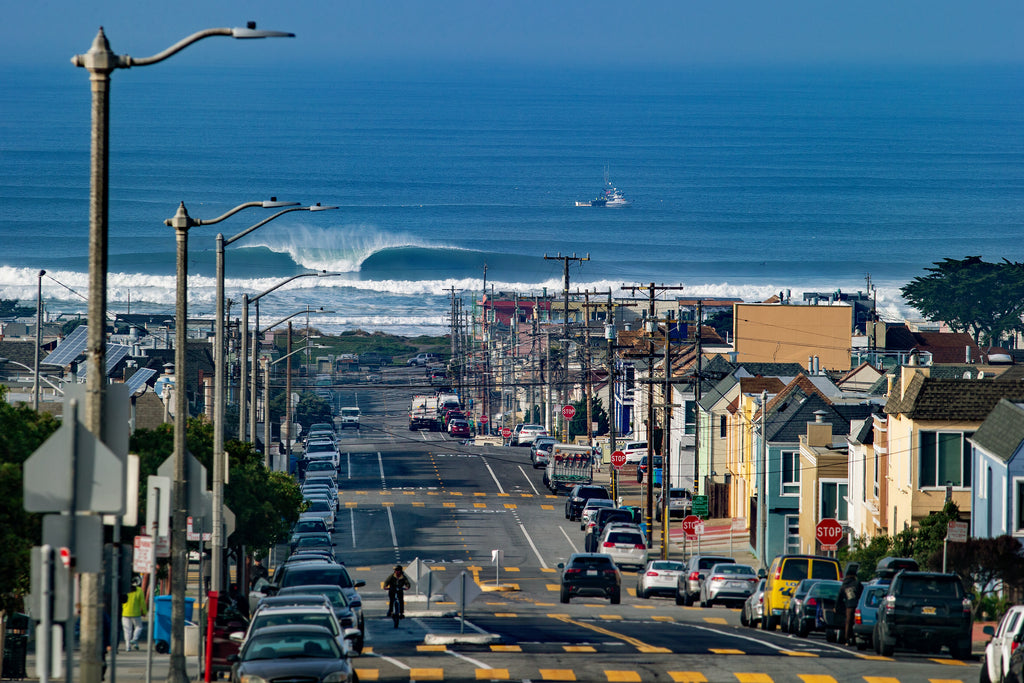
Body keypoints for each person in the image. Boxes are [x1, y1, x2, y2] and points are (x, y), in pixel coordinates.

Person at [838, 563, 862, 646]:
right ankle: (856, 638)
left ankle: (847, 639)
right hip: (858, 605)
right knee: (857, 622)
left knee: (848, 622)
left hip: (849, 606)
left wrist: (837, 607)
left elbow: (839, 598)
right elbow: (861, 594)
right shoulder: (857, 584)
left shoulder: (844, 585)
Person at [121, 576, 146, 651]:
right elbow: (142, 603)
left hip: (125, 613)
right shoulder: (139, 590)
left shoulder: (125, 590)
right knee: (139, 627)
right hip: (136, 613)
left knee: (127, 630)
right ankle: (134, 639)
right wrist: (144, 611)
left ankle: (127, 646)